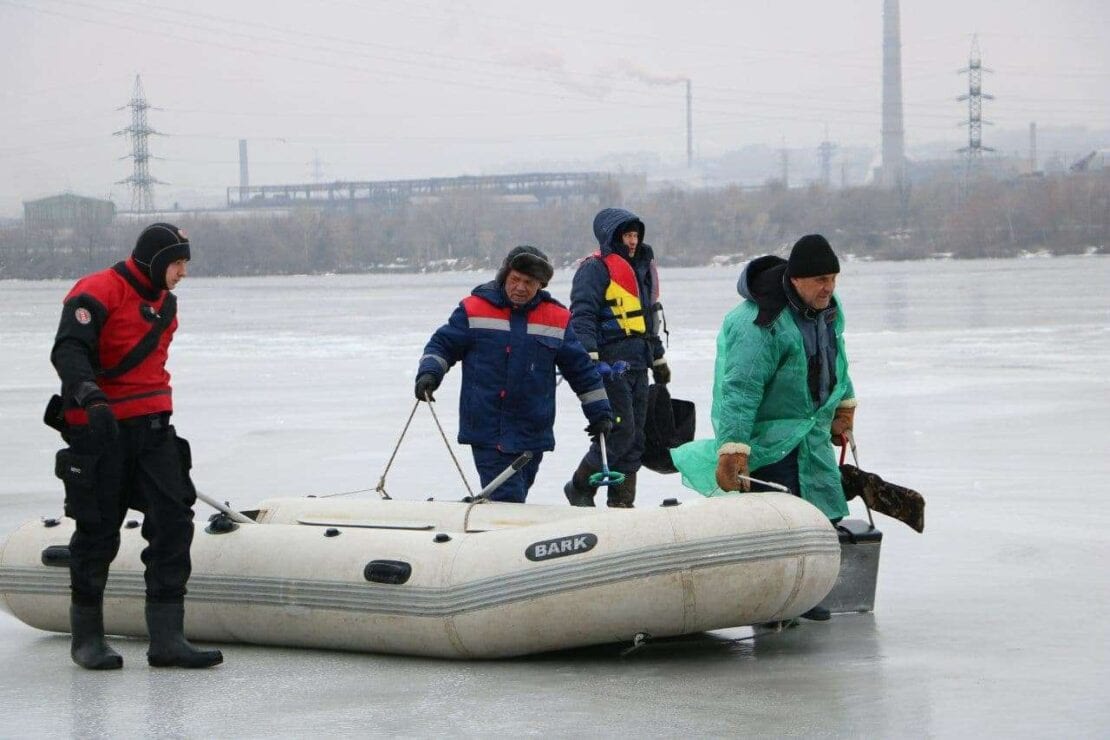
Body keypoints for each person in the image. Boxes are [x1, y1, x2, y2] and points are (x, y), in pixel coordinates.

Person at [50, 223, 223, 669]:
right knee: (97, 530)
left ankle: (167, 639)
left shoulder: (167, 306)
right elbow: (68, 352)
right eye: (177, 262)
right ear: (154, 260)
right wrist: (90, 397)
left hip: (154, 430)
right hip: (100, 430)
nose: (183, 271)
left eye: (185, 263)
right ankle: (87, 639)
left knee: (173, 521)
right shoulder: (96, 292)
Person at [670, 234, 856, 621]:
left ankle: (809, 593)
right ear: (797, 280)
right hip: (767, 436)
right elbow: (740, 388)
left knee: (821, 512)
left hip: (810, 431)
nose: (829, 288)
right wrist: (734, 447)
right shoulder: (761, 322)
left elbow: (837, 361)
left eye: (834, 278)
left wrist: (843, 407)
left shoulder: (828, 310)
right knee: (780, 520)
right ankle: (776, 601)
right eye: (821, 280)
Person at [414, 245, 613, 503]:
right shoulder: (474, 309)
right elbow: (442, 345)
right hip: (488, 429)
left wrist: (600, 413)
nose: (520, 287)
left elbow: (581, 371)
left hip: (532, 431)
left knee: (513, 498)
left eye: (529, 282)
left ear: (540, 285)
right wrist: (430, 373)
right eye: (515, 279)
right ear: (504, 276)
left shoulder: (557, 317)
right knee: (508, 499)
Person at [563, 208, 669, 508]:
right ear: (612, 236)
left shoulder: (640, 269)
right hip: (610, 366)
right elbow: (582, 315)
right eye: (627, 235)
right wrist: (591, 358)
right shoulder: (594, 269)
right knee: (620, 431)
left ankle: (622, 504)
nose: (633, 241)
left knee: (636, 439)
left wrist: (658, 359)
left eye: (636, 235)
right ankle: (580, 487)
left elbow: (648, 320)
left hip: (639, 363)